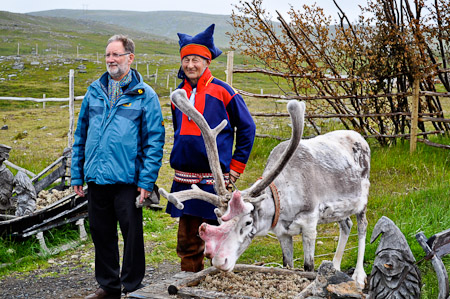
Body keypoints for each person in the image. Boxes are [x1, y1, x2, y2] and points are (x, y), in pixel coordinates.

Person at [71, 35, 165, 299]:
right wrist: (78, 173)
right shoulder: (94, 91)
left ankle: (133, 286)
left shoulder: (145, 95)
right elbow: (81, 135)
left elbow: (154, 141)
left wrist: (147, 181)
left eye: (116, 55)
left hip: (128, 180)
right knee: (101, 234)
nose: (110, 60)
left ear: (130, 58)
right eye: (107, 55)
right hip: (97, 178)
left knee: (132, 235)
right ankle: (108, 286)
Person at [166, 24, 256, 273]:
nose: (190, 65)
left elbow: (247, 129)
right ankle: (189, 280)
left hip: (214, 181)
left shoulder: (224, 91)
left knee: (217, 238)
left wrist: (235, 169)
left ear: (207, 61)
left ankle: (217, 282)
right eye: (186, 60)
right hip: (184, 180)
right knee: (187, 239)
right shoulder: (178, 95)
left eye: (195, 59)